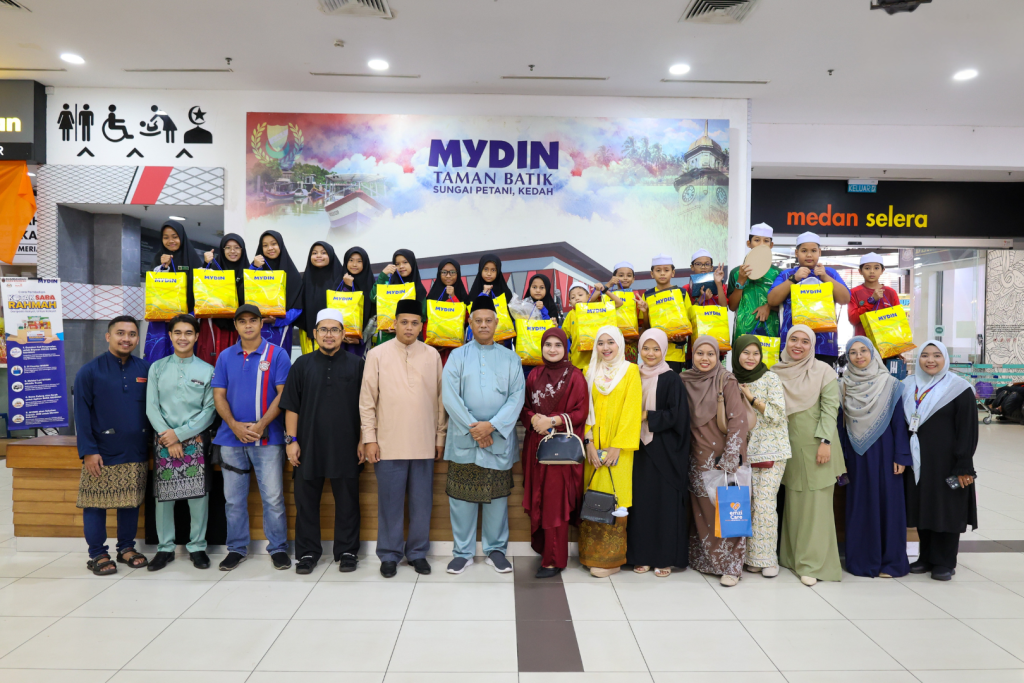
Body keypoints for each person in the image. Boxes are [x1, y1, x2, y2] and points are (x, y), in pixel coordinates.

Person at [360, 299, 447, 577]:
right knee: (389, 503)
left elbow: (441, 400)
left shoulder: (432, 355)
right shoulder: (377, 354)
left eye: (414, 323)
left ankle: (418, 553)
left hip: (424, 442)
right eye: (404, 322)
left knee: (422, 503)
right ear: (394, 324)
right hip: (387, 443)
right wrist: (369, 438)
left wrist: (440, 437)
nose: (409, 327)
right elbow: (367, 401)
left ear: (422, 326)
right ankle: (389, 554)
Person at [441, 296, 526, 574]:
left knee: (497, 499)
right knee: (461, 500)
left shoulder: (511, 358)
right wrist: (475, 428)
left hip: (497, 439)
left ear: (497, 323)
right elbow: (450, 397)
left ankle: (496, 550)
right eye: (478, 320)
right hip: (465, 438)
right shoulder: (457, 356)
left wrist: (492, 426)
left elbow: (517, 397)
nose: (484, 325)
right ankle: (462, 552)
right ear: (470, 323)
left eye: (489, 320)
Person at [281, 309, 365, 574]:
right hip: (308, 446)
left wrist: (363, 440)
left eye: (335, 330)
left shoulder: (357, 364)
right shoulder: (301, 364)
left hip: (347, 445)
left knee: (348, 502)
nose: (329, 335)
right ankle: (307, 553)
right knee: (306, 503)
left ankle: (348, 551)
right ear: (315, 334)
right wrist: (291, 441)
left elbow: (367, 407)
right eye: (324, 330)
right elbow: (291, 406)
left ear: (343, 334)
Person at [211, 304, 292, 571]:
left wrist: (261, 424)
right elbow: (219, 395)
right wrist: (234, 425)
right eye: (242, 321)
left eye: (253, 320)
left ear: (261, 323)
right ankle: (236, 549)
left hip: (268, 439)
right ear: (235, 325)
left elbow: (283, 394)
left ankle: (278, 548)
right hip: (230, 440)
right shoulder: (225, 356)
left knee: (273, 499)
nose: (248, 325)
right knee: (233, 500)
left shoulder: (277, 354)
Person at [75, 316, 151, 575]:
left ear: (137, 339)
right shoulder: (89, 371)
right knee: (95, 503)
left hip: (135, 449)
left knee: (130, 501)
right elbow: (81, 414)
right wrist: (88, 451)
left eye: (132, 334)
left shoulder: (146, 369)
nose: (126, 338)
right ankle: (97, 553)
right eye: (120, 333)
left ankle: (126, 548)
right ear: (108, 336)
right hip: (101, 452)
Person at [772, 324, 846, 586]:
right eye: (794, 339)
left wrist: (825, 441)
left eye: (805, 341)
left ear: (812, 346)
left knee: (816, 508)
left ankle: (812, 565)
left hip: (818, 448)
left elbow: (830, 408)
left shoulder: (823, 371)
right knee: (794, 505)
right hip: (789, 448)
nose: (799, 345)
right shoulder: (776, 372)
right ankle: (792, 558)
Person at [902, 340, 978, 581]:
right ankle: (926, 557)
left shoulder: (959, 388)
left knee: (947, 508)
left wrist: (963, 464)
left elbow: (967, 429)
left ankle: (945, 561)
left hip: (948, 462)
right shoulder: (908, 385)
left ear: (945, 359)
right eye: (925, 355)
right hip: (919, 461)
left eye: (936, 355)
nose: (930, 360)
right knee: (924, 506)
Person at [145, 314, 216, 571]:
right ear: (170, 336)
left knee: (198, 496)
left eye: (188, 333)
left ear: (196, 336)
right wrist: (169, 436)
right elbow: (151, 407)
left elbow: (210, 410)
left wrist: (181, 434)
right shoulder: (157, 368)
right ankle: (165, 548)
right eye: (177, 332)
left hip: (195, 440)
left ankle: (197, 547)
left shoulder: (208, 370)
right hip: (164, 440)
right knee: (164, 498)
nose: (182, 338)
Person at [837, 337, 912, 578]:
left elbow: (899, 422)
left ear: (873, 353)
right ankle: (862, 561)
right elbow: (839, 425)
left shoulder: (890, 384)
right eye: (853, 352)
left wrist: (901, 455)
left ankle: (891, 562)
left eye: (863, 351)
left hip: (887, 451)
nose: (859, 356)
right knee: (861, 504)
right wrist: (840, 458)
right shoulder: (843, 385)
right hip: (856, 453)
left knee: (889, 505)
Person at [519, 327, 589, 578]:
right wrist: (533, 419)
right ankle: (545, 551)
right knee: (539, 499)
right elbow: (524, 406)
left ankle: (554, 560)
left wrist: (553, 421)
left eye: (558, 345)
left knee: (555, 504)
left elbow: (581, 411)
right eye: (547, 344)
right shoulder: (534, 374)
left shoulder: (576, 376)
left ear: (565, 348)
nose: (552, 349)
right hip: (537, 448)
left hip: (560, 451)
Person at [682, 336, 749, 586]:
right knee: (702, 510)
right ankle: (705, 561)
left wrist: (732, 455)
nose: (705, 359)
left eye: (710, 354)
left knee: (728, 508)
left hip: (721, 455)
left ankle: (731, 567)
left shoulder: (726, 380)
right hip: (695, 454)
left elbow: (738, 420)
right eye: (700, 353)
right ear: (692, 355)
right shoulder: (685, 380)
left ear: (718, 356)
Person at [580, 326, 642, 578]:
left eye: (610, 342)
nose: (605, 348)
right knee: (593, 496)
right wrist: (588, 442)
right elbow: (584, 409)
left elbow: (632, 410)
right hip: (593, 449)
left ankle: (611, 561)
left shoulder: (630, 371)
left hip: (620, 449)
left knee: (616, 499)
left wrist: (617, 445)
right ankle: (590, 556)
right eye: (600, 343)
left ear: (620, 345)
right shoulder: (589, 371)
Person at [627, 329, 689, 577]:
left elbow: (678, 415)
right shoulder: (632, 374)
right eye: (646, 348)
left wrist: (647, 415)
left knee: (664, 505)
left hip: (664, 450)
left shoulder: (672, 378)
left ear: (663, 350)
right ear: (639, 350)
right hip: (637, 449)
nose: (650, 353)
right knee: (641, 505)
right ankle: (641, 556)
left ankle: (664, 558)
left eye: (656, 349)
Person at [732, 335, 790, 578]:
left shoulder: (770, 378)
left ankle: (768, 560)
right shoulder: (731, 378)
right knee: (750, 505)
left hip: (771, 450)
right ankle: (752, 558)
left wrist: (751, 398)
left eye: (756, 353)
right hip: (745, 452)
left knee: (765, 505)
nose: (751, 358)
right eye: (746, 353)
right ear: (737, 354)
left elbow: (777, 414)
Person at [766, 232, 851, 367]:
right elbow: (772, 300)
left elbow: (845, 299)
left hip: (824, 346)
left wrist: (825, 278)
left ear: (819, 252)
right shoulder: (786, 274)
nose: (809, 255)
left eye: (813, 251)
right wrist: (794, 279)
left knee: (823, 380)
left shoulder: (830, 273)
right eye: (804, 251)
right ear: (796, 253)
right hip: (793, 345)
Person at [145, 220, 203, 361]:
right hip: (161, 318)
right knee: (159, 353)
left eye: (175, 236)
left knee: (184, 352)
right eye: (166, 237)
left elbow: (200, 287)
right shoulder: (158, 259)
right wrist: (163, 268)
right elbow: (153, 286)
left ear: (181, 237)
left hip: (186, 317)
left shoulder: (192, 258)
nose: (170, 241)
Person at [848, 253, 907, 379]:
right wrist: (871, 301)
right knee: (863, 382)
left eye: (876, 268)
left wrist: (897, 350)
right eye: (867, 268)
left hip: (886, 349)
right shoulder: (854, 293)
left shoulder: (890, 293)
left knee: (887, 382)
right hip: (862, 349)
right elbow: (853, 319)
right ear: (860, 271)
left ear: (882, 270)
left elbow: (897, 322)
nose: (872, 271)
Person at [195, 233, 249, 365]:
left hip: (239, 325)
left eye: (236, 247)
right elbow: (201, 289)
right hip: (213, 324)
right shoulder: (212, 269)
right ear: (222, 250)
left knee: (238, 363)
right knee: (211, 361)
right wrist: (206, 264)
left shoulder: (249, 271)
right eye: (228, 247)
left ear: (242, 250)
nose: (232, 251)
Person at [727, 223, 781, 345]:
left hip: (771, 332)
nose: (761, 244)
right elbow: (732, 307)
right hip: (743, 332)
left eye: (766, 241)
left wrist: (768, 306)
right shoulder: (736, 273)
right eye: (757, 240)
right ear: (749, 243)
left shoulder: (778, 274)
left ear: (771, 245)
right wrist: (741, 281)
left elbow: (785, 306)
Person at [251, 230, 302, 352]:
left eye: (274, 244)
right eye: (265, 245)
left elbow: (298, 307)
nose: (270, 248)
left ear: (280, 245)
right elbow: (245, 292)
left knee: (278, 360)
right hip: (254, 327)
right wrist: (254, 267)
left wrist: (278, 320)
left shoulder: (292, 274)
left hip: (281, 328)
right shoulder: (255, 269)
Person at [591, 261, 647, 363]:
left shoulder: (637, 297)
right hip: (609, 343)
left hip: (630, 343)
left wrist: (635, 338)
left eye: (629, 275)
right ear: (614, 277)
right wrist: (608, 284)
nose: (625, 278)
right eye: (621, 275)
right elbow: (591, 302)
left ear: (633, 279)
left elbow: (642, 324)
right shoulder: (606, 295)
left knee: (629, 369)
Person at [372, 249, 429, 346]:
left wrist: (403, 327)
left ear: (412, 263)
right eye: (397, 264)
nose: (401, 266)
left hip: (409, 341)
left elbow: (422, 317)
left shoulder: (418, 289)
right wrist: (383, 275)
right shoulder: (388, 284)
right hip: (386, 339)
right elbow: (373, 298)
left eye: (405, 262)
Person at [296, 242, 346, 352]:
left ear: (331, 255)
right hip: (310, 334)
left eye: (323, 253)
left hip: (337, 334)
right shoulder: (305, 280)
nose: (318, 256)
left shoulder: (342, 279)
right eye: (314, 253)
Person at [644, 254, 687, 371]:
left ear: (673, 273)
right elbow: (646, 326)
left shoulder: (682, 293)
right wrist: (645, 311)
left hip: (675, 354)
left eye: (666, 270)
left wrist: (682, 339)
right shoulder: (647, 295)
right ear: (652, 274)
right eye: (658, 270)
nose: (662, 273)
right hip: (653, 354)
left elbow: (688, 323)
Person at [425, 257, 469, 365]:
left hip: (456, 350)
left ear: (458, 274)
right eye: (444, 272)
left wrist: (453, 297)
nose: (448, 276)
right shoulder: (432, 295)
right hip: (434, 350)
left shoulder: (462, 295)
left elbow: (467, 319)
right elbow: (426, 321)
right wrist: (432, 344)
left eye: (452, 272)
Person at [339, 246, 376, 357]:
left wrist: (361, 339)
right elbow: (337, 309)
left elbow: (375, 316)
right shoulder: (338, 283)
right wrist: (347, 287)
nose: (354, 264)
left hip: (363, 343)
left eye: (359, 261)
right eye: (351, 260)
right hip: (340, 340)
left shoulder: (371, 285)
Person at [561, 281, 594, 372]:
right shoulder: (570, 315)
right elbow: (563, 335)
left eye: (580, 295)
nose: (577, 298)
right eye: (573, 297)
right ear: (570, 302)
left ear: (588, 297)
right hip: (577, 360)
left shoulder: (594, 311)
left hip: (595, 359)